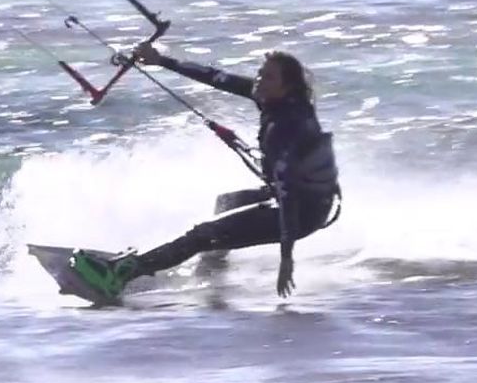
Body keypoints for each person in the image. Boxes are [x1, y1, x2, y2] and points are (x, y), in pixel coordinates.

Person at [75, 44, 342, 300]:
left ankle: (119, 276)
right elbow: (217, 78)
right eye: (260, 72)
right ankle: (213, 269)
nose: (258, 80)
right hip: (308, 197)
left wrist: (286, 259)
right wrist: (161, 60)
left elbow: (288, 196)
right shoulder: (279, 98)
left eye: (268, 77)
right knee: (225, 202)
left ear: (287, 86)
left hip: (302, 213)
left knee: (202, 234)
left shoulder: (285, 128)